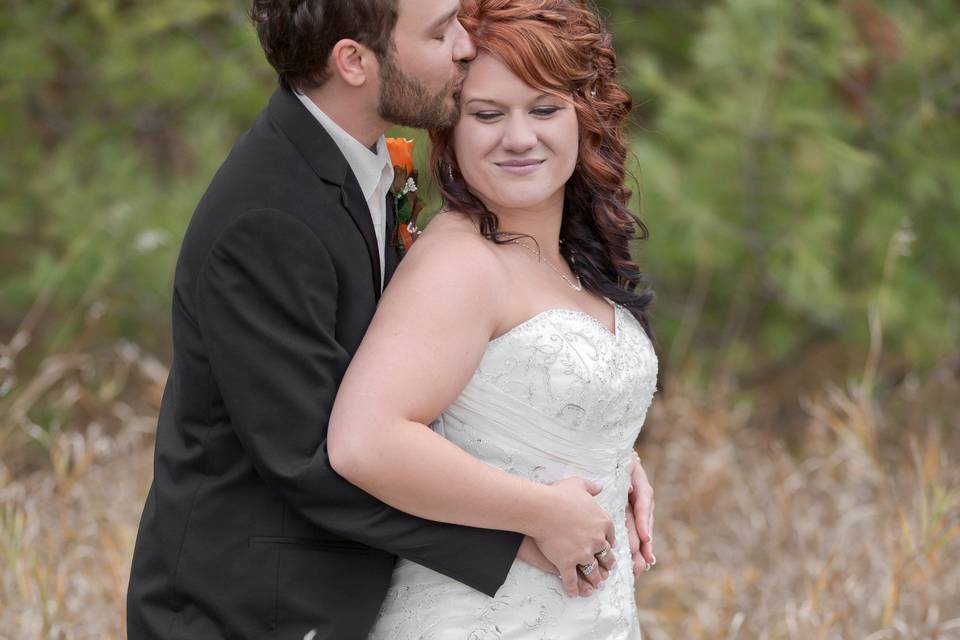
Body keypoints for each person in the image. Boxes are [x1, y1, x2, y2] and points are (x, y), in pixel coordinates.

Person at [126, 0, 655, 638]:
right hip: (251, 610)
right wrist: (530, 523)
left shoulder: (366, 168)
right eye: (440, 32)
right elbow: (317, 454)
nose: (463, 47)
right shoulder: (267, 215)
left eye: (545, 108)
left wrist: (594, 449)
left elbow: (438, 372)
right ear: (353, 60)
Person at [326, 0, 658, 637]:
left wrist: (614, 458)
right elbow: (365, 440)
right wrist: (544, 512)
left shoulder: (561, 255)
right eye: (487, 114)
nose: (519, 138)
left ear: (585, 118)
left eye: (544, 109)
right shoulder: (460, 262)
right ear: (450, 126)